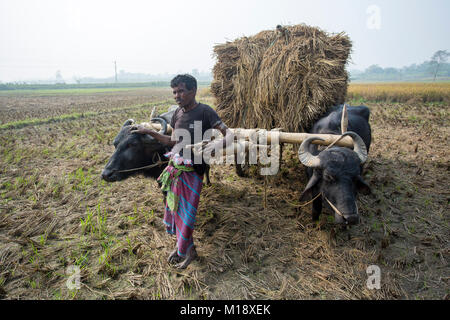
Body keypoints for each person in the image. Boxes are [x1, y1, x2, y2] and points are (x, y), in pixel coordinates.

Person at [131, 74, 233, 269]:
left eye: (181, 91)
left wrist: (217, 146)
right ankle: (186, 248)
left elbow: (229, 133)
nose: (177, 95)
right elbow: (173, 142)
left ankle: (187, 250)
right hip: (175, 168)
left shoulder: (205, 112)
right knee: (175, 208)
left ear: (193, 91)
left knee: (187, 214)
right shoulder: (177, 113)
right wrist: (151, 132)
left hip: (193, 170)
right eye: (174, 92)